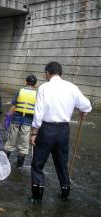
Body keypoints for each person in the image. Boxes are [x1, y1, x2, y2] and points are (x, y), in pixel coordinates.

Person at [29, 61, 92, 202]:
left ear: (47, 73)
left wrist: (34, 133)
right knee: (62, 163)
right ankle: (65, 194)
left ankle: (37, 197)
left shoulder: (44, 87)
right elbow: (87, 105)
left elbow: (39, 113)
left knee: (37, 164)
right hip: (64, 130)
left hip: (47, 129)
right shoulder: (71, 87)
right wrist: (84, 111)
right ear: (60, 73)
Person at [3, 75, 37, 168]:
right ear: (35, 84)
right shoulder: (36, 94)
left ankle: (5, 164)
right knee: (24, 144)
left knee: (10, 141)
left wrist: (8, 118)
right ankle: (19, 166)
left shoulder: (20, 91)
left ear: (26, 82)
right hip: (28, 120)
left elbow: (13, 105)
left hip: (16, 118)